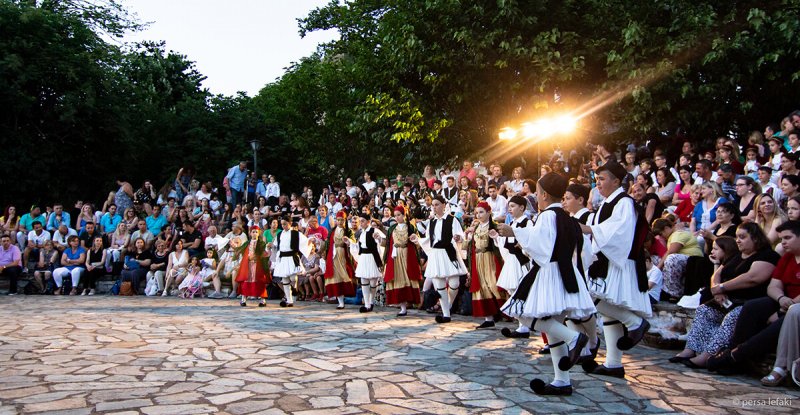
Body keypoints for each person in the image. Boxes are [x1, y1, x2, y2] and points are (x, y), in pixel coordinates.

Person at [498, 173, 596, 396]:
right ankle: (562, 381)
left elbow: (540, 246)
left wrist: (515, 231)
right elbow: (584, 253)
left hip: (549, 273)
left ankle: (574, 338)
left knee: (529, 316)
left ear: (542, 194)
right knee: (553, 327)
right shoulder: (568, 218)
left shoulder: (547, 216)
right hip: (566, 274)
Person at [580, 161, 652, 379]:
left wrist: (588, 228)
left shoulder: (624, 202)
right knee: (607, 310)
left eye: (602, 179)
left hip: (619, 261)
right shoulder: (607, 203)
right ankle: (613, 363)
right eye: (597, 179)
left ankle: (635, 322)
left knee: (592, 298)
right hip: (607, 259)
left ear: (617, 181)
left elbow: (620, 233)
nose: (598, 183)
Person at [675, 223, 779, 368]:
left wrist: (722, 287)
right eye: (737, 237)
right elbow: (716, 275)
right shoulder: (736, 256)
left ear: (755, 238)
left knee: (732, 317)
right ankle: (690, 350)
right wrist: (717, 291)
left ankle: (708, 355)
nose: (738, 240)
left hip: (749, 303)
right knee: (704, 310)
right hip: (726, 300)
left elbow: (753, 277)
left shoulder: (768, 255)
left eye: (742, 237)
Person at [707, 220, 800, 378]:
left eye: (787, 238)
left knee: (781, 322)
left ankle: (735, 356)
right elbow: (773, 286)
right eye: (781, 238)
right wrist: (781, 299)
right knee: (752, 307)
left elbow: (754, 278)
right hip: (782, 300)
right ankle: (736, 354)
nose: (783, 242)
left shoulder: (770, 255)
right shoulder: (787, 258)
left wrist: (783, 308)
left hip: (794, 306)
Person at [494, 195, 534, 338]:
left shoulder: (527, 223)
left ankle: (526, 325)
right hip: (512, 260)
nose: (509, 209)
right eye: (509, 206)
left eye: (513, 206)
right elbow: (507, 244)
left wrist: (523, 246)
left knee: (521, 290)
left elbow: (530, 241)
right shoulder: (514, 224)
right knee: (512, 291)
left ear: (522, 208)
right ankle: (522, 325)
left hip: (521, 260)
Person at [465, 202, 504, 329]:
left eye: (481, 212)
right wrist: (462, 240)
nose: (478, 215)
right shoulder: (476, 228)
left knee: (493, 284)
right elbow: (472, 245)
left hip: (490, 258)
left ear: (489, 212)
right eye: (477, 212)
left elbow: (501, 244)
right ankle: (489, 318)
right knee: (482, 287)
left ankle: (506, 311)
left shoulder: (495, 226)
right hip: (478, 259)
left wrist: (496, 237)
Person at [382, 206, 422, 316]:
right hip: (396, 256)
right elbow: (387, 244)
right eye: (395, 215)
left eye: (399, 215)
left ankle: (412, 301)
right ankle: (403, 307)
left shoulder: (410, 227)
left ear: (404, 215)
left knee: (409, 278)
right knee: (399, 278)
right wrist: (379, 239)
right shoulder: (392, 228)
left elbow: (418, 242)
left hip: (408, 255)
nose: (397, 217)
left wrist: (415, 240)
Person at [651, 218, 704, 299]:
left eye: (661, 233)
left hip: (693, 260)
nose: (661, 236)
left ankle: (673, 293)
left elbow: (672, 251)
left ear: (666, 228)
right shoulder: (670, 237)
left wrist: (657, 268)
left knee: (671, 258)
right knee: (653, 259)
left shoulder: (678, 234)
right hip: (682, 260)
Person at [349, 214, 385, 312]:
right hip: (364, 258)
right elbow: (359, 247)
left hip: (373, 258)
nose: (361, 223)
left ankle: (371, 301)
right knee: (364, 280)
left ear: (368, 222)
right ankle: (367, 304)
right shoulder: (361, 233)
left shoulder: (375, 230)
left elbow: (384, 242)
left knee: (373, 282)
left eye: (363, 221)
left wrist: (378, 239)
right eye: (360, 221)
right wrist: (350, 244)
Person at [273, 219, 312, 307]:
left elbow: (304, 242)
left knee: (293, 277)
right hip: (283, 258)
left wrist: (310, 240)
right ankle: (289, 300)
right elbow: (276, 245)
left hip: (292, 257)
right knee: (285, 279)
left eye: (285, 224)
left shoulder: (295, 233)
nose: (283, 226)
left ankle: (295, 288)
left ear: (290, 223)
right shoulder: (279, 234)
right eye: (282, 224)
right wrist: (270, 246)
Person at [324, 211, 357, 309]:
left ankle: (347, 297)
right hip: (333, 256)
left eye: (342, 220)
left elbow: (353, 242)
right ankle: (340, 302)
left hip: (344, 255)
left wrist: (348, 241)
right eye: (338, 220)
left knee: (345, 276)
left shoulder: (348, 231)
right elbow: (327, 243)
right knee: (335, 277)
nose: (339, 222)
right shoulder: (332, 231)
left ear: (345, 220)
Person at [235, 226, 270, 307]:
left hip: (258, 266)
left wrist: (260, 254)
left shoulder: (261, 244)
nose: (255, 233)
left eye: (256, 232)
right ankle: (243, 299)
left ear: (259, 233)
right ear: (250, 233)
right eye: (253, 232)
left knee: (260, 281)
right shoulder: (247, 243)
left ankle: (262, 300)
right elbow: (240, 251)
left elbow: (265, 254)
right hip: (248, 265)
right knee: (245, 281)